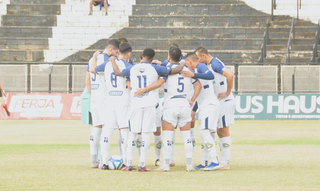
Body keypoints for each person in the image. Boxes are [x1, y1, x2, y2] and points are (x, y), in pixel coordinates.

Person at [111, 48, 185, 172]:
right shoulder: (155, 68)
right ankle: (142, 165)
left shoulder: (132, 68)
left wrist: (113, 60)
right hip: (150, 104)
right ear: (152, 58)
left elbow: (118, 72)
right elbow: (176, 69)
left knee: (133, 133)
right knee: (146, 134)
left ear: (142, 55)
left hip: (135, 104)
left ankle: (128, 164)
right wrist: (183, 60)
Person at [135, 47, 202, 172]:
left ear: (169, 57)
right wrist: (192, 99)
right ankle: (189, 164)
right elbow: (199, 85)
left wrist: (143, 90)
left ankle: (166, 164)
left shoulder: (167, 71)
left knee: (167, 137)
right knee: (187, 136)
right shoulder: (187, 70)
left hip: (170, 104)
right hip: (184, 104)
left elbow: (159, 83)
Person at [195, 46, 235, 170]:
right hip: (219, 102)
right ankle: (212, 161)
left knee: (223, 130)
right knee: (215, 130)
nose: (197, 61)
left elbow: (230, 74)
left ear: (203, 56)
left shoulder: (215, 64)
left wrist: (227, 92)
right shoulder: (211, 65)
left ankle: (224, 162)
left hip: (225, 101)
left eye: (198, 58)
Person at [181, 52, 221, 171]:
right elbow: (201, 93)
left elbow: (211, 76)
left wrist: (193, 74)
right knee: (208, 134)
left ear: (190, 62)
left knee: (203, 132)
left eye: (186, 63)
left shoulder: (200, 67)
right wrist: (194, 110)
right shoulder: (197, 71)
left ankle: (214, 160)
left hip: (209, 105)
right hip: (206, 105)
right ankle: (204, 162)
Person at [97, 42, 132, 170]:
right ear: (128, 53)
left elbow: (95, 70)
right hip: (123, 100)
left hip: (110, 99)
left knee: (107, 131)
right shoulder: (127, 65)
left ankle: (104, 162)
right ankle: (127, 162)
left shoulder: (106, 64)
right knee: (124, 131)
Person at [87, 39, 120, 168]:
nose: (117, 55)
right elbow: (96, 72)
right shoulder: (106, 60)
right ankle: (103, 161)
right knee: (107, 128)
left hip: (94, 97)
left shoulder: (92, 59)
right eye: (116, 52)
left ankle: (93, 160)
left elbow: (89, 77)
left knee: (96, 128)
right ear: (111, 50)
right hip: (104, 97)